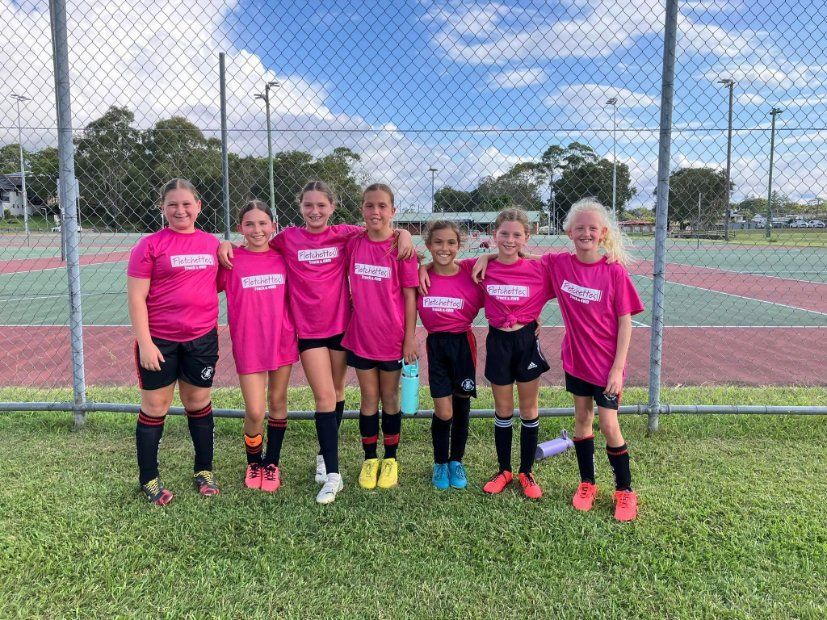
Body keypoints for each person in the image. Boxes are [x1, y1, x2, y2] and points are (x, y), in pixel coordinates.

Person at [218, 181, 413, 504]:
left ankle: (325, 453)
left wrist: (403, 233)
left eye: (321, 205)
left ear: (332, 208)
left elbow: (381, 228)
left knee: (336, 394)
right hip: (308, 331)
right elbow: (257, 240)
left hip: (341, 327)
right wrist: (226, 243)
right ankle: (334, 475)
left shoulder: (346, 235)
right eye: (308, 205)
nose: (315, 211)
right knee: (323, 396)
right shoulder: (287, 239)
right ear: (299, 207)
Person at [540, 198, 644, 521]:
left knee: (609, 424)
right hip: (577, 362)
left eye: (593, 228)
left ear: (603, 234)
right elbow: (520, 260)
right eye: (580, 227)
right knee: (582, 420)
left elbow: (626, 322)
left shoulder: (613, 272)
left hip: (607, 367)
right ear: (569, 232)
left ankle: (625, 490)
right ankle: (587, 483)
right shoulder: (559, 265)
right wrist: (488, 256)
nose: (586, 232)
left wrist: (617, 368)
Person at [127, 178, 220, 505]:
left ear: (198, 206)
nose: (180, 210)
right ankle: (149, 478)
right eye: (172, 205)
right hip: (160, 341)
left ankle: (204, 470)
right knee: (155, 407)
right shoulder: (149, 245)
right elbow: (137, 298)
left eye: (186, 204)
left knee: (198, 403)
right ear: (162, 208)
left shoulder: (212, 245)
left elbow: (215, 285)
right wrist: (146, 342)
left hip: (202, 339)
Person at [472, 208, 553, 499]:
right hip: (498, 342)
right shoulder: (482, 267)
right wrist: (486, 257)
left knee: (529, 409)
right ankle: (504, 469)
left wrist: (494, 255)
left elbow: (564, 268)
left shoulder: (539, 269)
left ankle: (526, 471)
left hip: (526, 341)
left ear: (526, 237)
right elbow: (446, 264)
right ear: (494, 235)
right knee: (503, 410)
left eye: (516, 234)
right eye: (504, 233)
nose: (509, 239)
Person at [342, 183, 419, 491]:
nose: (375, 211)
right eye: (369, 205)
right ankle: (369, 458)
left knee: (390, 398)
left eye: (382, 206)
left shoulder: (402, 248)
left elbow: (410, 296)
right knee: (368, 399)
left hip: (391, 337)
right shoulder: (353, 242)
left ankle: (390, 458)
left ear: (393, 211)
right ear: (362, 209)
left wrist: (410, 337)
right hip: (361, 336)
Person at [218, 201, 298, 494]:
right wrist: (222, 245)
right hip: (249, 343)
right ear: (240, 228)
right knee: (255, 410)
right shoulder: (230, 260)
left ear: (273, 226)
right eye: (249, 224)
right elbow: (203, 283)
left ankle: (271, 463)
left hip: (281, 339)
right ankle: (254, 461)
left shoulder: (283, 258)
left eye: (263, 223)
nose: (257, 230)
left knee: (277, 403)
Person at [417, 221, 484, 490]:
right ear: (429, 245)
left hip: (463, 344)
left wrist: (532, 317)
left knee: (461, 405)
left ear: (459, 245)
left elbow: (511, 260)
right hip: (437, 345)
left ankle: (456, 460)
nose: (445, 248)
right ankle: (439, 462)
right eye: (438, 242)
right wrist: (420, 266)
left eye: (451, 243)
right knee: (443, 411)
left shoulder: (471, 270)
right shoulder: (420, 274)